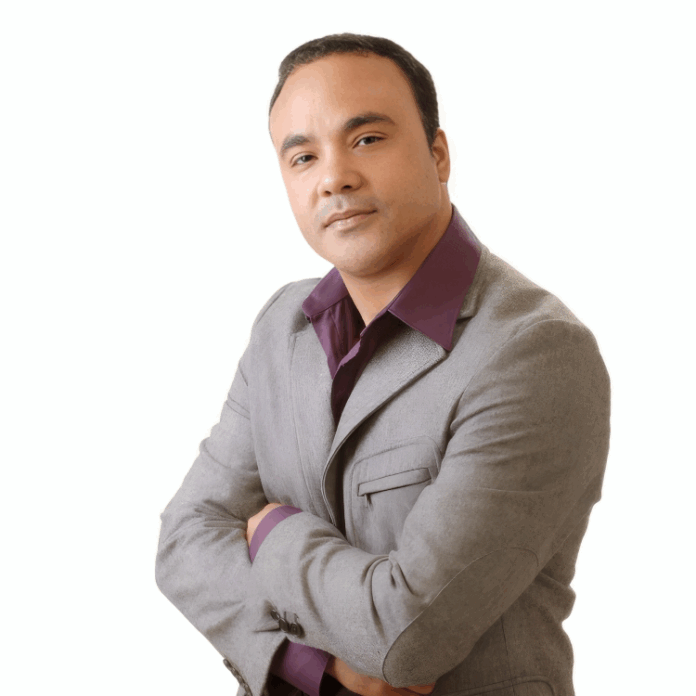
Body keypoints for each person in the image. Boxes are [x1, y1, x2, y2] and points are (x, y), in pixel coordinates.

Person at [156, 33, 610, 696]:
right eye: (304, 156)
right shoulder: (282, 328)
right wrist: (322, 668)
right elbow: (185, 540)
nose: (334, 177)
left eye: (366, 139)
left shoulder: (534, 354)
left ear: (438, 153)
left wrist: (271, 529)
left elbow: (408, 635)